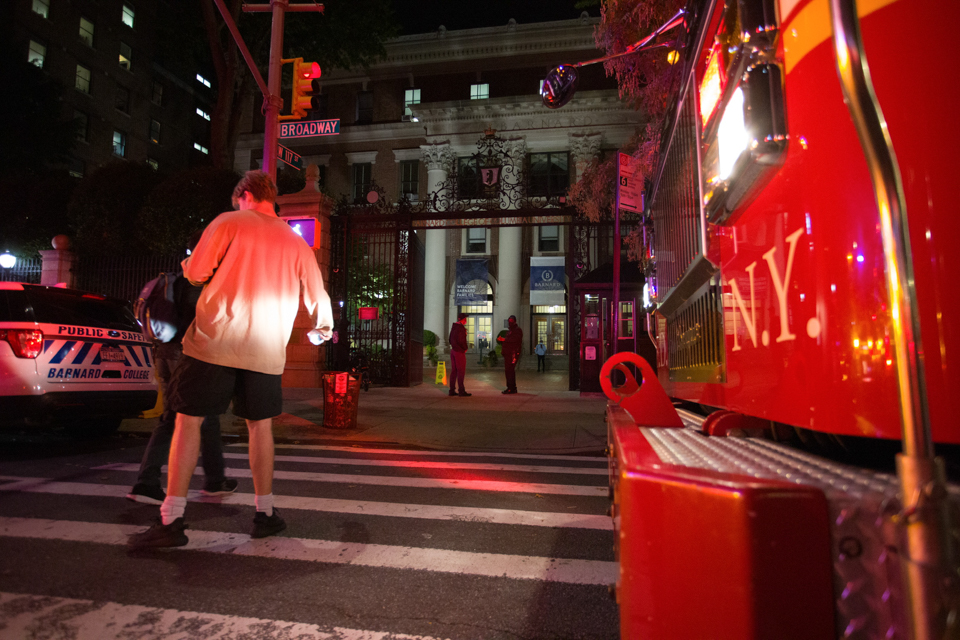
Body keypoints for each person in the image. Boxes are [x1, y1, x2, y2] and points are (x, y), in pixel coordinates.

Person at [129, 170, 334, 548]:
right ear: (272, 198)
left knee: (188, 422)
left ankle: (172, 520)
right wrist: (320, 330)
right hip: (266, 349)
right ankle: (265, 513)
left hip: (215, 341)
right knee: (261, 428)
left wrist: (199, 267)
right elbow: (318, 295)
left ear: (244, 195)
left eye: (238, 199)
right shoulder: (296, 242)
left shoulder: (229, 222)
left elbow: (196, 273)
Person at [127, 231, 236, 505]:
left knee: (204, 417)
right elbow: (201, 319)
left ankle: (214, 479)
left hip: (166, 352)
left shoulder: (179, 278)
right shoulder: (197, 281)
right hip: (186, 356)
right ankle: (146, 483)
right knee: (176, 418)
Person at [497, 315, 522, 394]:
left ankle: (511, 388)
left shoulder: (517, 330)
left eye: (511, 321)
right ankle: (511, 387)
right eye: (509, 321)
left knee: (510, 370)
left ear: (514, 321)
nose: (509, 323)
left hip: (512, 353)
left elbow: (515, 340)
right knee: (508, 371)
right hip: (508, 353)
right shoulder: (510, 331)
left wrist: (505, 339)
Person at [448, 312, 471, 397]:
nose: (466, 321)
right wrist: (465, 348)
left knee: (454, 371)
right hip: (459, 352)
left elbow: (450, 339)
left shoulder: (454, 327)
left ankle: (452, 390)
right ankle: (461, 390)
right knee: (461, 371)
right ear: (463, 319)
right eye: (465, 319)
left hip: (453, 351)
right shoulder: (461, 328)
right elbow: (461, 340)